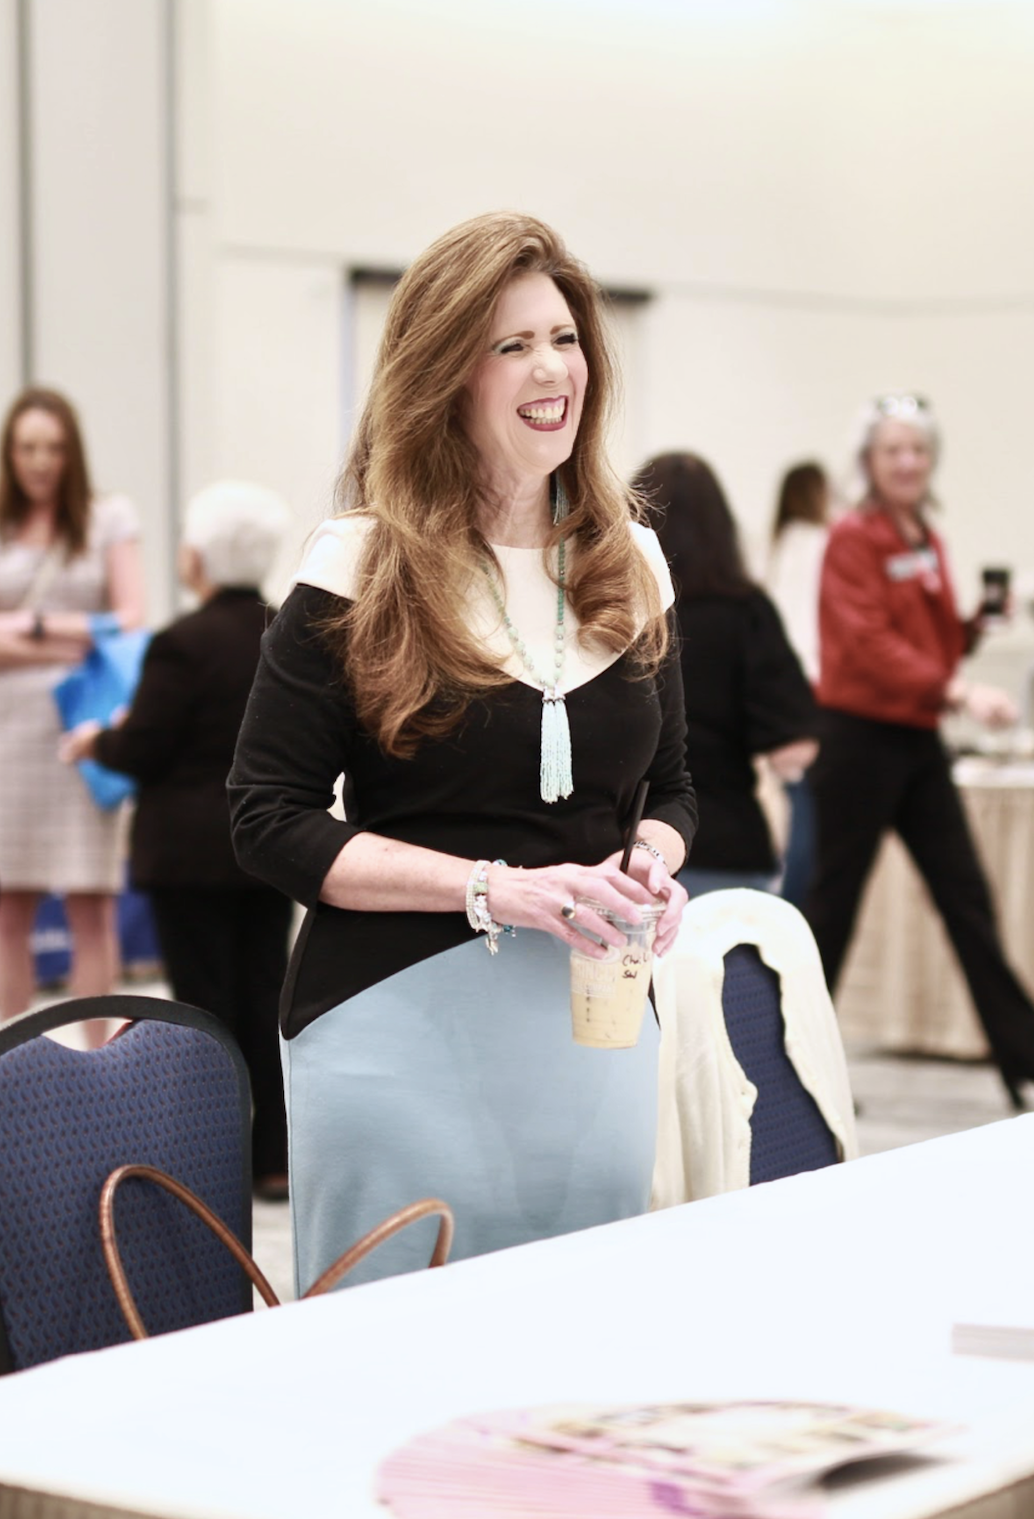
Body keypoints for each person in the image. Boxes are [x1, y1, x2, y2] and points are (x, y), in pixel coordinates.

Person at [229, 211, 695, 1293]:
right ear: (447, 374)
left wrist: (653, 859)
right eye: (512, 344)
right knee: (395, 1364)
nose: (552, 369)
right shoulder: (360, 564)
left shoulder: (632, 566)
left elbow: (671, 788)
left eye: (566, 339)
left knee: (578, 1355)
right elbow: (268, 819)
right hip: (393, 1030)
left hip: (593, 1031)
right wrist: (494, 889)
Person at [802, 394, 1034, 1106]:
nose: (907, 462)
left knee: (967, 900)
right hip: (859, 742)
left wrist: (976, 624)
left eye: (918, 449)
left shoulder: (925, 537)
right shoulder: (854, 538)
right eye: (892, 449)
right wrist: (958, 691)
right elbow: (866, 642)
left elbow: (930, 643)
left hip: (918, 742)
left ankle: (1029, 1056)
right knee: (831, 911)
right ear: (868, 461)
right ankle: (792, 1065)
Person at [62, 480, 295, 1196]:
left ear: (196, 559)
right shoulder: (289, 632)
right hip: (270, 852)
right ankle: (275, 1158)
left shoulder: (179, 644)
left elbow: (144, 750)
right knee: (264, 999)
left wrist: (98, 740)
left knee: (200, 1010)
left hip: (188, 855)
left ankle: (211, 1159)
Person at [0, 386, 143, 1035]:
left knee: (92, 905)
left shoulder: (109, 518)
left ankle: (103, 1064)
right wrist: (75, 630)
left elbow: (131, 619)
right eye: (28, 447)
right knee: (9, 906)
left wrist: (27, 625)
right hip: (6, 739)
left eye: (54, 448)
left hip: (83, 732)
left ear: (73, 452)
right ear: (9, 452)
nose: (41, 461)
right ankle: (8, 1063)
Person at [635, 452, 816, 898]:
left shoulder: (612, 614)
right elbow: (793, 749)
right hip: (726, 846)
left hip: (627, 857)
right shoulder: (746, 612)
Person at [764, 460, 832, 907]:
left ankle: (791, 907)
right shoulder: (823, 544)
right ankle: (798, 913)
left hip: (782, 691)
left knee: (798, 805)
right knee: (813, 815)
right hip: (818, 688)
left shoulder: (780, 546)